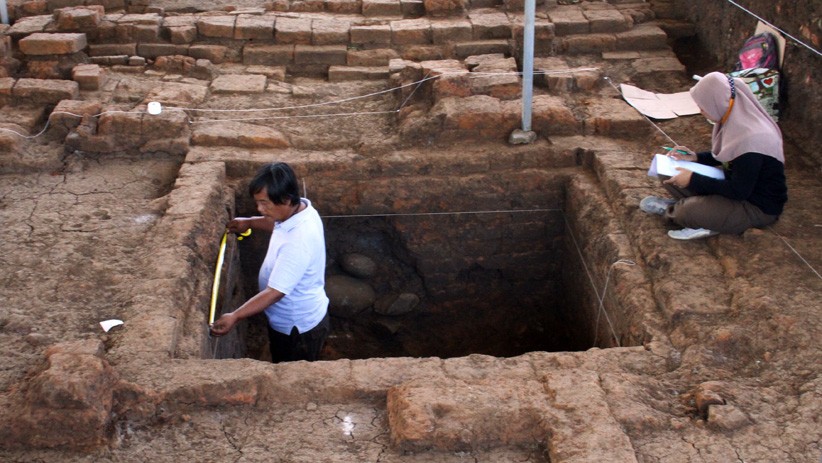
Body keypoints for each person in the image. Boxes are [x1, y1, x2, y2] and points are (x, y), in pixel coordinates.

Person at [640, 72, 787, 240]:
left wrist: (693, 179)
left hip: (755, 206)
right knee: (668, 169)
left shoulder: (752, 138)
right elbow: (729, 155)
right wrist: (696, 158)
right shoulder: (736, 121)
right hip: (733, 187)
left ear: (718, 102)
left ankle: (685, 213)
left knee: (686, 212)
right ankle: (703, 211)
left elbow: (739, 191)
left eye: (704, 106)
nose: (701, 111)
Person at [210, 162, 330, 362]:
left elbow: (274, 292)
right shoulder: (301, 209)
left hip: (297, 328)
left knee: (289, 373)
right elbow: (276, 223)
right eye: (258, 202)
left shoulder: (298, 242)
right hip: (293, 319)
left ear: (286, 199)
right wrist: (249, 222)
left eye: (265, 203)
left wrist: (236, 316)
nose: (259, 208)